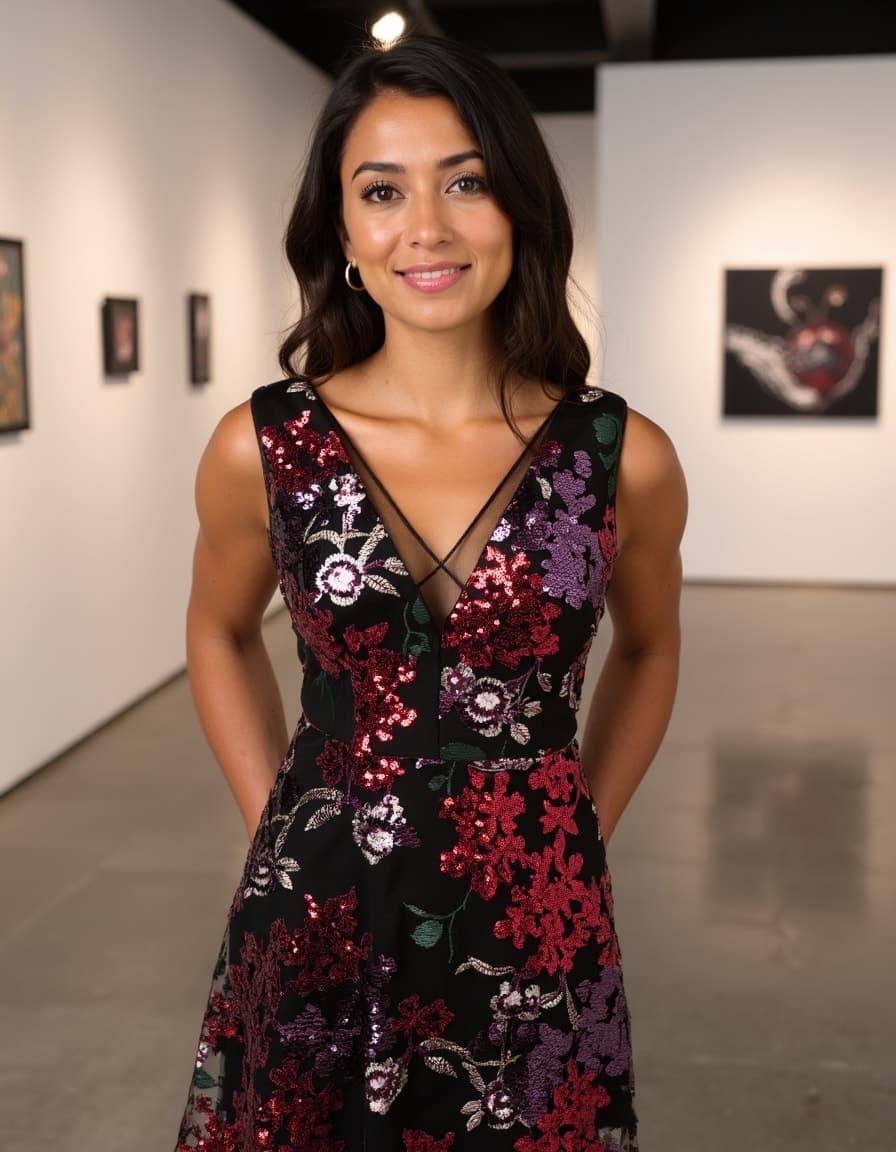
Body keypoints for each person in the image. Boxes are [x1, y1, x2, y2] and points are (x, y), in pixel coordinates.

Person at [175, 33, 686, 1152]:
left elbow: (650, 649)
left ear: (519, 208)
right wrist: (279, 815)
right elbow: (216, 632)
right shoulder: (264, 446)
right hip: (312, 907)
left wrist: (578, 821)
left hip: (533, 918)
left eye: (465, 180)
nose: (427, 226)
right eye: (381, 190)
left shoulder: (617, 456)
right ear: (343, 232)